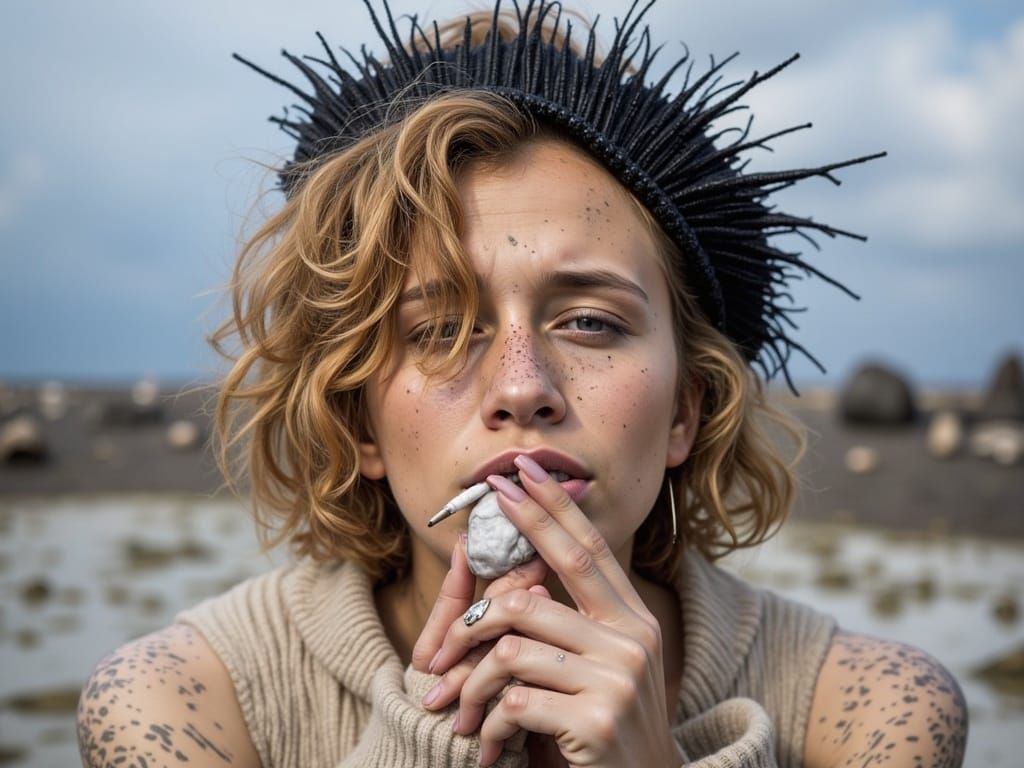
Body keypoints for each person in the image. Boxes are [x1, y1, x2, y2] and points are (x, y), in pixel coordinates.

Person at [76, 2, 967, 766]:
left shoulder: (876, 710)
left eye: (591, 322)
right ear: (357, 422)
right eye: (438, 330)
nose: (521, 388)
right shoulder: (176, 704)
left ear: (687, 410)